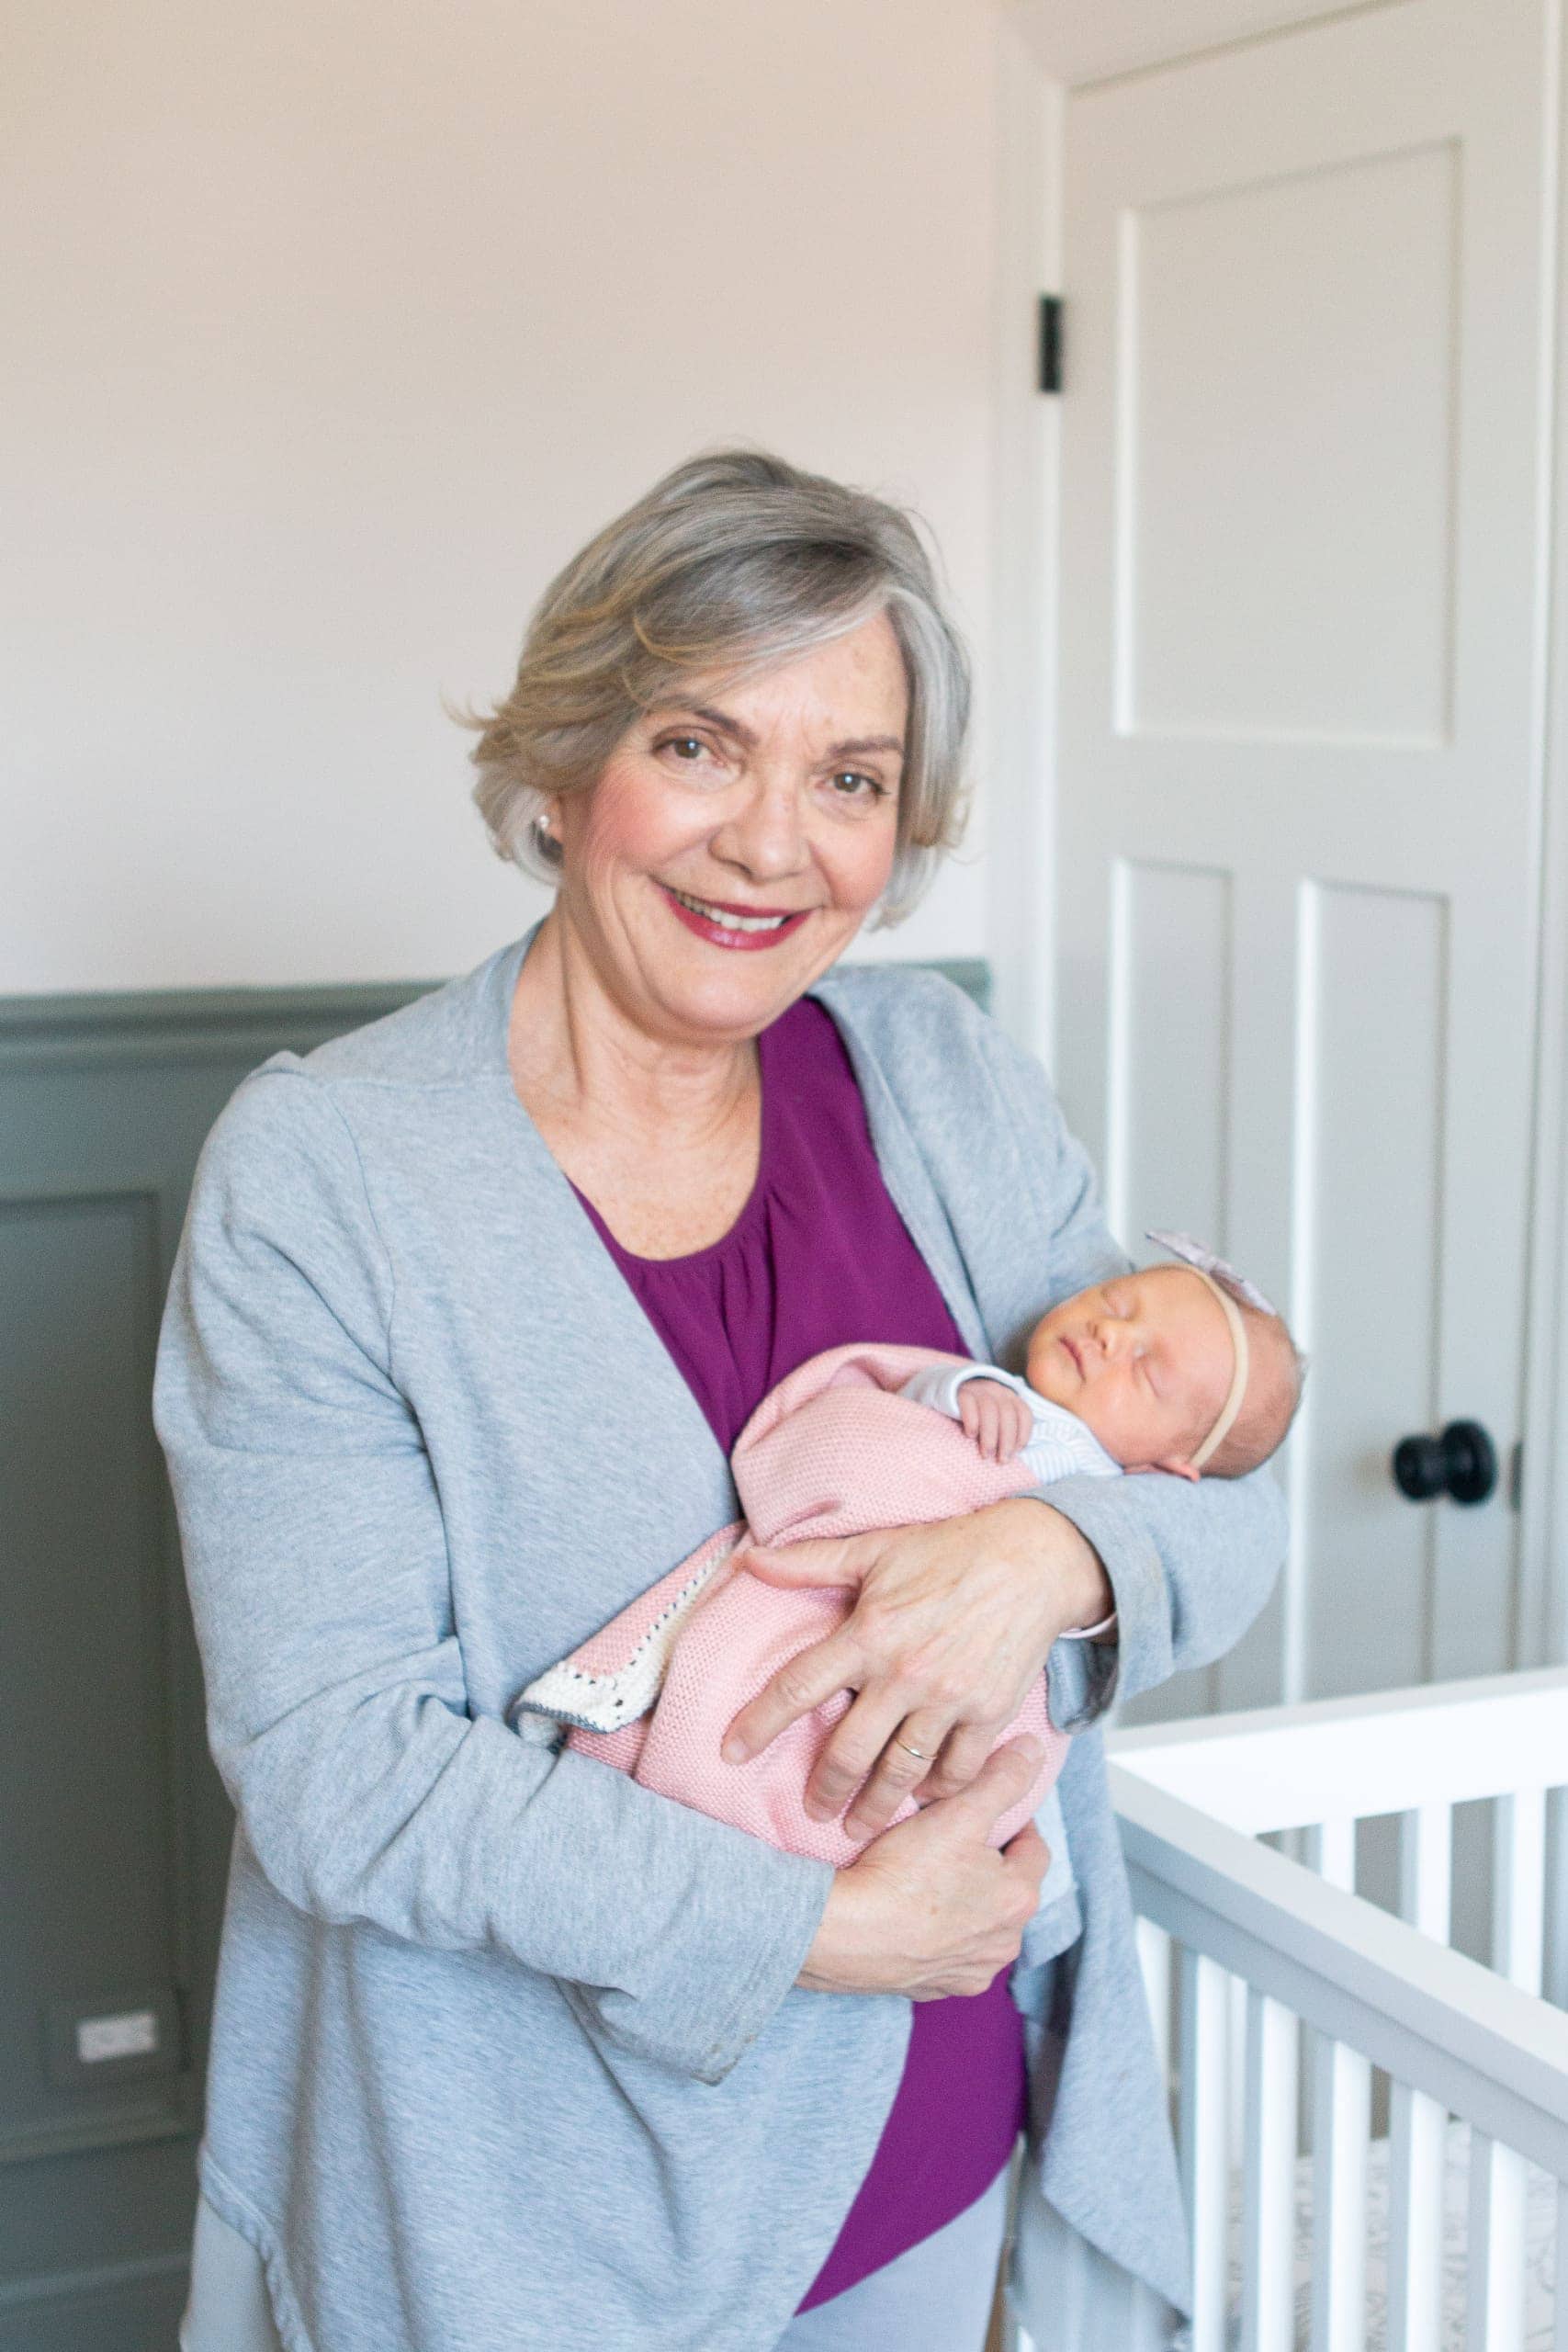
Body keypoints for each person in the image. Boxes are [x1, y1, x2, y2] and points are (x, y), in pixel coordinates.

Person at [155, 447, 1287, 2352]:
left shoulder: (935, 1075)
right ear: (563, 761)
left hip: (924, 2154)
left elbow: (1219, 1481)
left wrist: (1037, 1553)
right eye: (698, 744)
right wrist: (819, 1929)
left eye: (848, 777)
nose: (775, 843)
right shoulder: (328, 1173)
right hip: (531, 2213)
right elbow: (335, 1763)